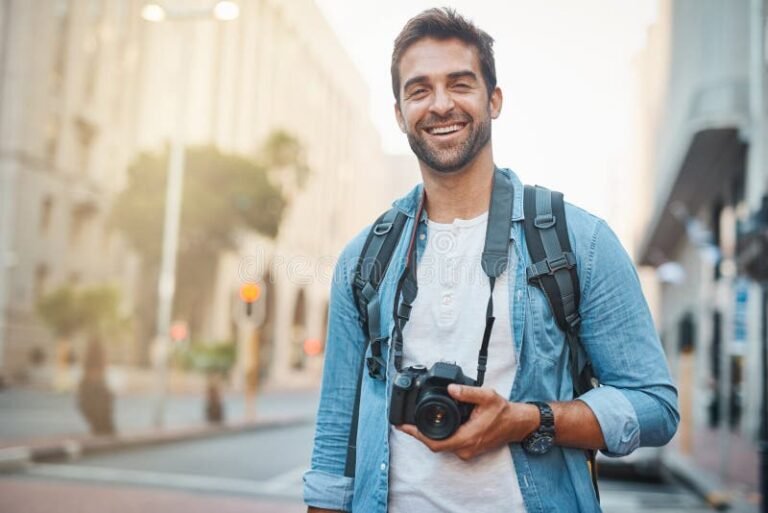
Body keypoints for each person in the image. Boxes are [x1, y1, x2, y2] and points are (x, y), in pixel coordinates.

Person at [303, 8, 679, 513]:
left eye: (460, 84)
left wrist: (529, 419)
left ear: (493, 99)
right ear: (399, 114)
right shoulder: (364, 258)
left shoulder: (581, 241)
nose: (440, 105)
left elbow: (656, 406)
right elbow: (333, 445)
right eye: (419, 90)